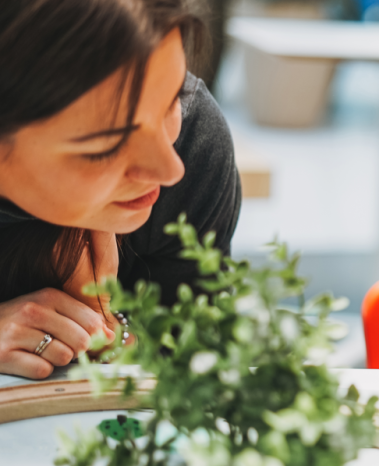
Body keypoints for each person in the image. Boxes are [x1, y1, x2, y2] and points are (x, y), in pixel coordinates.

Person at [0, 0, 241, 379]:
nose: (170, 169)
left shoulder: (194, 145)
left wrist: (117, 337)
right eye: (107, 145)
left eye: (169, 102)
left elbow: (199, 366)